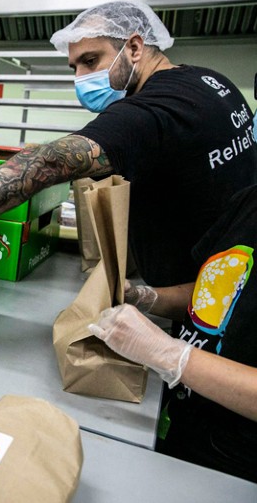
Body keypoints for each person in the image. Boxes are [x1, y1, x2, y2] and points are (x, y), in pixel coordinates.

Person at [0, 0, 257, 290]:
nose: (81, 77)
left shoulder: (149, 110)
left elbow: (47, 163)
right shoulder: (210, 82)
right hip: (228, 276)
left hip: (208, 298)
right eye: (74, 66)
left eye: (92, 61)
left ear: (134, 47)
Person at [88, 182, 257, 482]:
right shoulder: (249, 201)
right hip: (180, 421)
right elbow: (221, 290)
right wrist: (149, 297)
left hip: (232, 467)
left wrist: (172, 356)